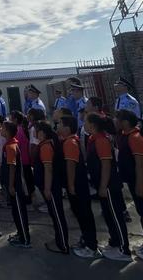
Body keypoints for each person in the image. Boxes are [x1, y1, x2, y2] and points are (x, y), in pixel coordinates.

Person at [85, 113, 132, 261]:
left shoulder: (101, 141)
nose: (84, 124)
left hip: (109, 185)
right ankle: (115, 242)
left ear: (92, 125)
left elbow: (106, 165)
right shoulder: (94, 139)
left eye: (86, 122)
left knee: (115, 215)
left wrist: (103, 186)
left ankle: (124, 250)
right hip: (102, 184)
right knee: (108, 215)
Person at [58, 115, 100, 258]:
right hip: (77, 184)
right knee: (81, 215)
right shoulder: (70, 141)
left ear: (67, 128)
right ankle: (86, 240)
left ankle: (91, 246)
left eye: (60, 125)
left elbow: (70, 165)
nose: (57, 127)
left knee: (84, 215)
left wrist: (70, 185)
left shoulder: (70, 143)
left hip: (77, 185)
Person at [34, 122, 69, 254]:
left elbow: (48, 169)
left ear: (42, 133)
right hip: (49, 186)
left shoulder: (46, 147)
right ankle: (59, 239)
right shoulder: (46, 144)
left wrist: (47, 189)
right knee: (54, 214)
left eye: (36, 131)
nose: (34, 133)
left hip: (51, 187)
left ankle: (62, 244)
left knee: (57, 215)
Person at [115, 109, 143, 260]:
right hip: (132, 180)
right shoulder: (125, 136)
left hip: (138, 181)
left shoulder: (135, 138)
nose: (115, 121)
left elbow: (140, 164)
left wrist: (140, 184)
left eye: (118, 119)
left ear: (125, 122)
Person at [1, 121, 31, 248]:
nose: (1, 130)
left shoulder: (11, 146)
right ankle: (20, 233)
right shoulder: (9, 144)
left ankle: (24, 239)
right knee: (15, 211)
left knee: (19, 211)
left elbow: (12, 166)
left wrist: (11, 185)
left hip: (16, 185)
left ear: (7, 131)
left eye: (3, 128)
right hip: (12, 185)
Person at [10, 110, 34, 205]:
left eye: (11, 117)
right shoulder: (21, 128)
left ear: (15, 119)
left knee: (26, 179)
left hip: (23, 160)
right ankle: (30, 195)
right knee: (28, 178)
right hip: (26, 159)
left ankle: (28, 197)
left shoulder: (18, 130)